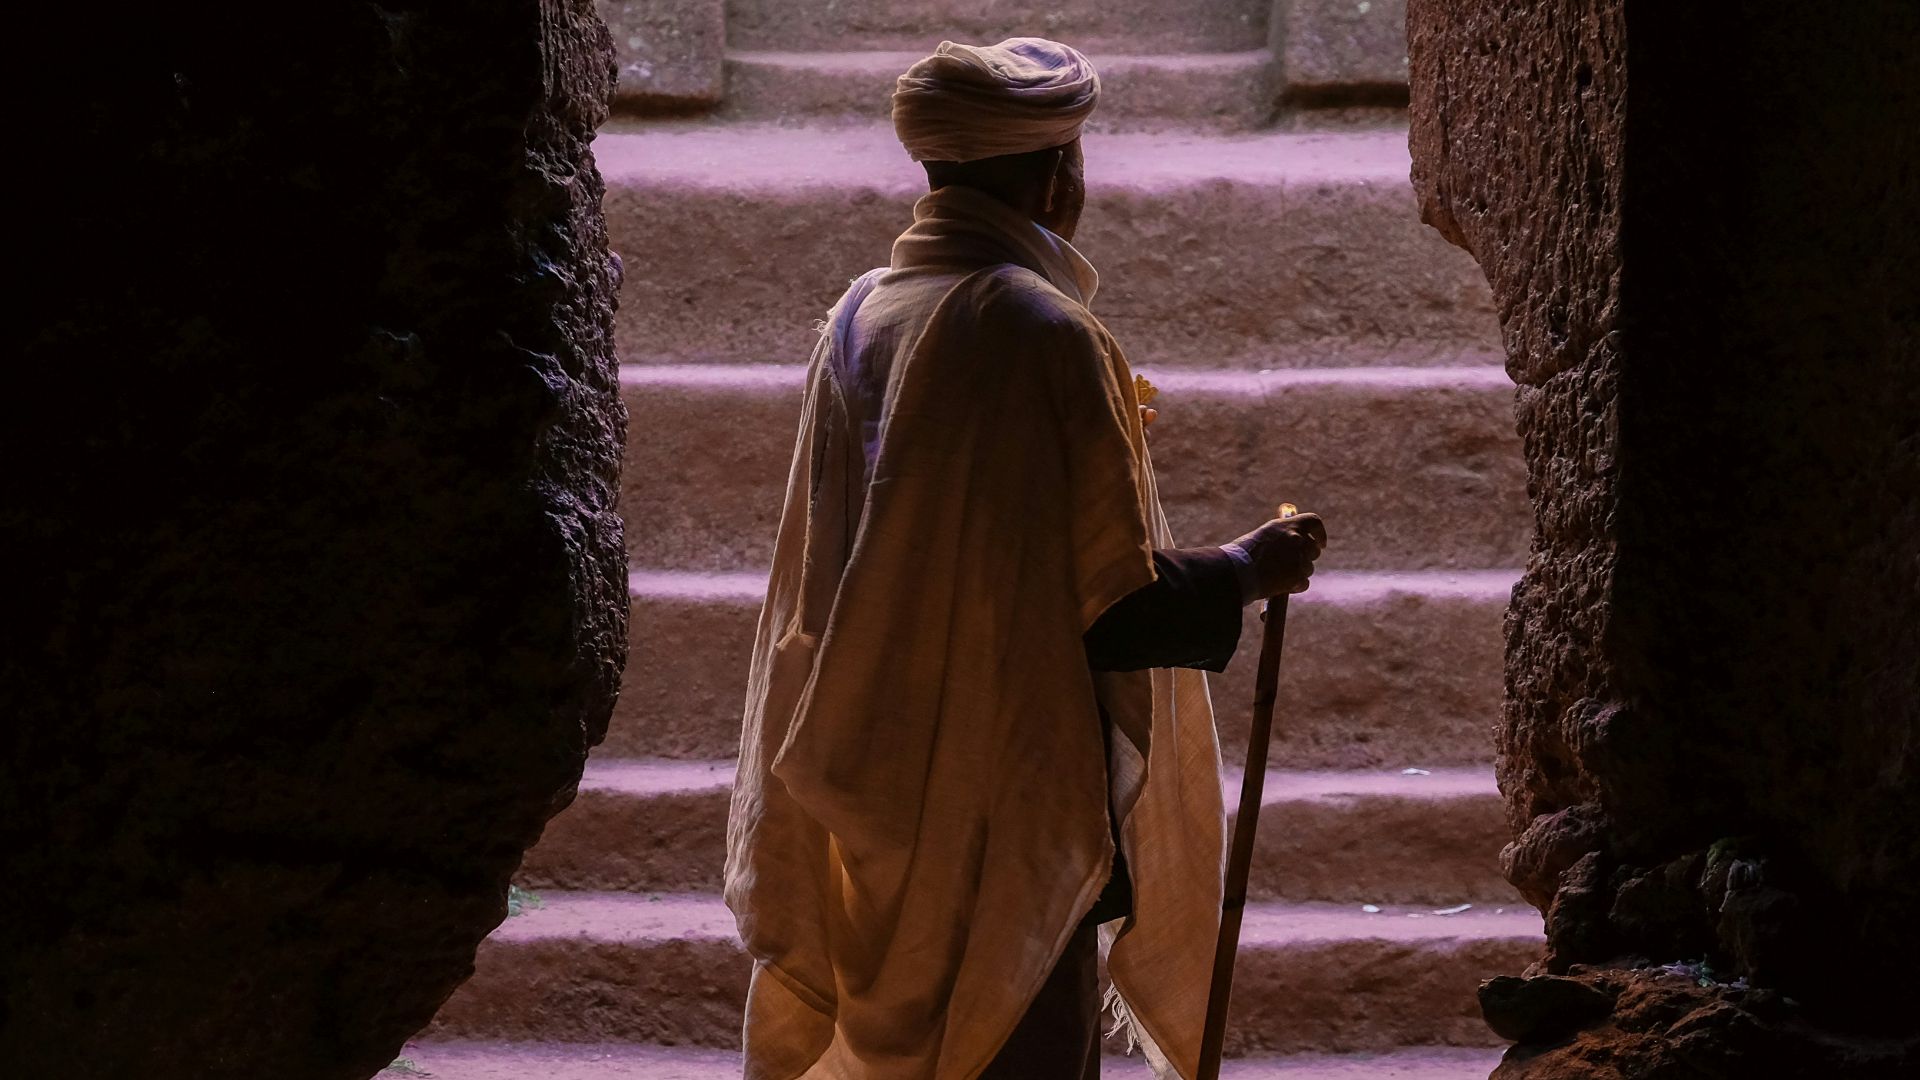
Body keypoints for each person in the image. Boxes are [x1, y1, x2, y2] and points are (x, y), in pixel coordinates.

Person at [724, 38, 1327, 1080]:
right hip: (1005, 790)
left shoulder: (865, 316)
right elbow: (1114, 609)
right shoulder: (1046, 331)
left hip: (877, 774)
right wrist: (1245, 568)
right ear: (1058, 171)